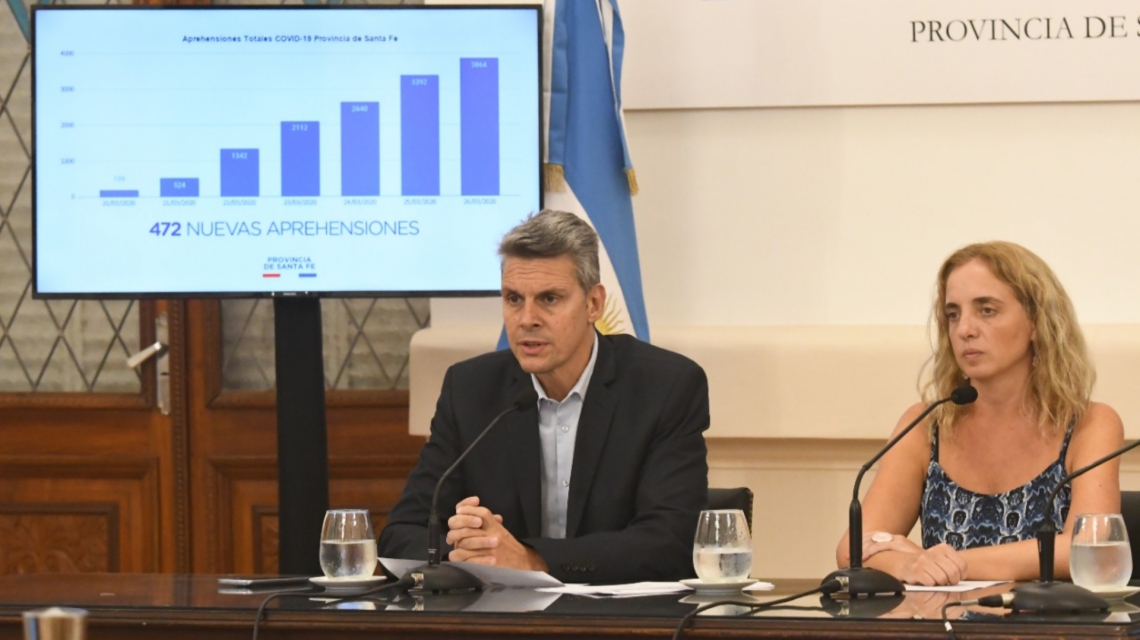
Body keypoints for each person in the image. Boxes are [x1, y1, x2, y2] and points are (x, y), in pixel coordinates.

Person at [379, 209, 710, 584]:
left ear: (594, 304)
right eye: (513, 299)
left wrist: (534, 559)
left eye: (549, 299)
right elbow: (401, 533)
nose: (527, 319)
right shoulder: (470, 390)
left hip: (619, 614)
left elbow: (671, 543)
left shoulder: (665, 387)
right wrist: (469, 551)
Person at [835, 241, 1123, 586]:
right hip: (943, 619)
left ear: (1036, 322)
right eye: (953, 314)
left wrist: (942, 562)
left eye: (987, 310)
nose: (964, 330)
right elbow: (853, 549)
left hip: (1046, 620)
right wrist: (908, 566)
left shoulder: (1090, 424)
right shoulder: (926, 423)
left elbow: (1090, 549)